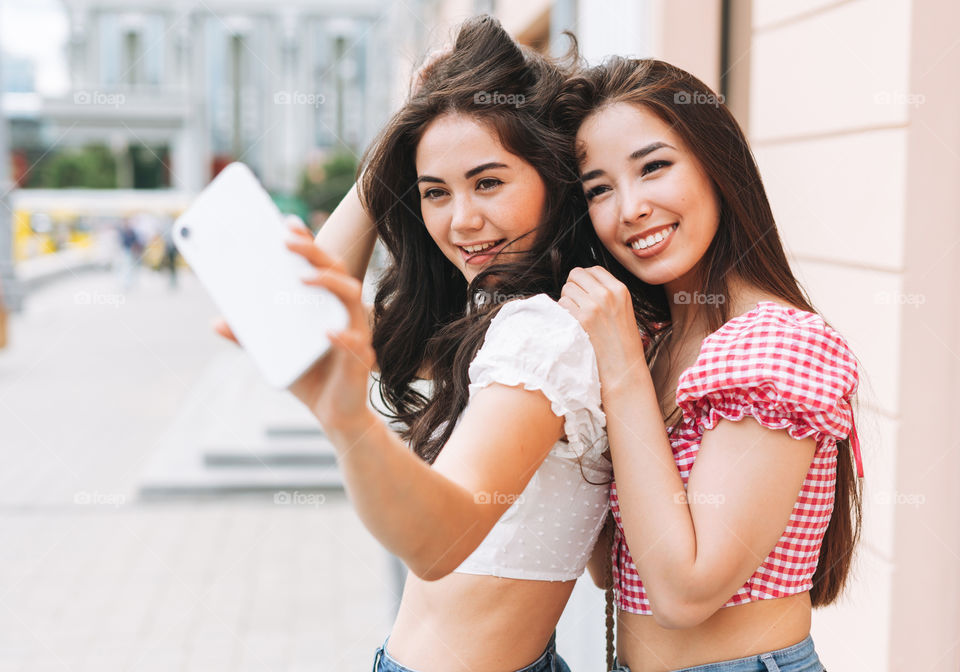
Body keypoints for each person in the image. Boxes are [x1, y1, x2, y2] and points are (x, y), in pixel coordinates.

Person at [221, 16, 611, 672]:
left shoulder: (545, 334)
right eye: (435, 192)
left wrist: (347, 421)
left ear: (556, 179)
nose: (461, 221)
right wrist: (398, 141)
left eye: (489, 182)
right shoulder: (495, 314)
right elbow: (300, 313)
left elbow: (441, 540)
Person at [553, 58, 862, 672]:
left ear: (718, 165)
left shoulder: (777, 345)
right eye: (599, 189)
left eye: (654, 167)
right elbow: (608, 564)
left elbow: (684, 591)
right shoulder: (656, 345)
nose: (630, 208)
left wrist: (619, 369)